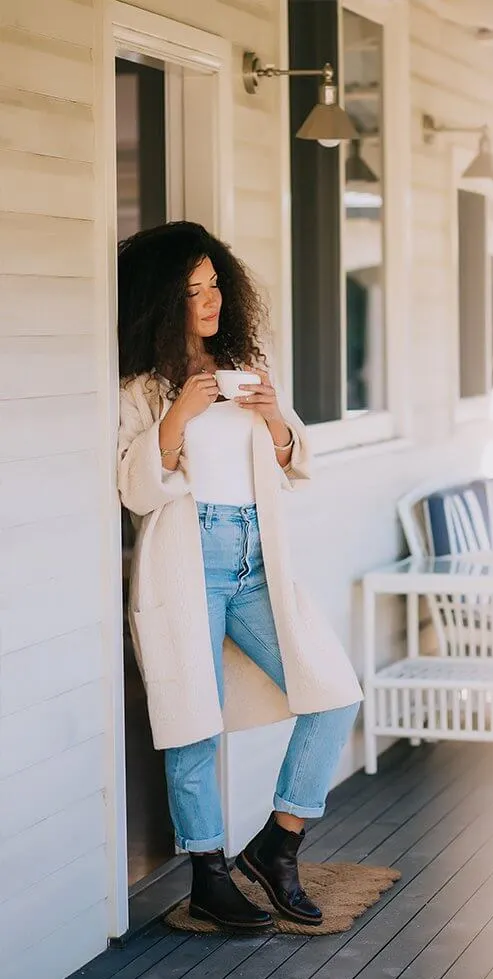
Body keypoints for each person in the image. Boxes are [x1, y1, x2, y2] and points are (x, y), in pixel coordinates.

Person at [117, 221, 362, 930]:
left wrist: (273, 418)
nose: (209, 299)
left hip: (256, 555)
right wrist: (179, 414)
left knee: (333, 692)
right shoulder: (142, 387)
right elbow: (136, 489)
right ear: (163, 300)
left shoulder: (245, 364)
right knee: (194, 718)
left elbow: (289, 463)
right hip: (188, 558)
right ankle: (207, 875)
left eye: (215, 283)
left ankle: (278, 843)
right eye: (192, 290)